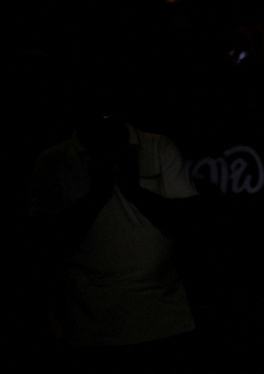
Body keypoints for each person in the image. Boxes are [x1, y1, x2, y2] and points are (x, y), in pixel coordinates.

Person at [29, 113, 201, 374]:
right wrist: (98, 194)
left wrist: (133, 191)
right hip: (89, 327)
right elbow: (45, 242)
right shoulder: (54, 159)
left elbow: (189, 222)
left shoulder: (157, 146)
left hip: (163, 320)